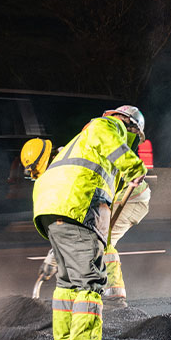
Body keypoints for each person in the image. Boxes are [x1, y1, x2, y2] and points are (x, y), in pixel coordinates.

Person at [31, 105, 148, 340]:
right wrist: (134, 166)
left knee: (68, 282)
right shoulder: (106, 126)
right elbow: (103, 134)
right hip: (79, 205)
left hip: (51, 207)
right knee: (90, 283)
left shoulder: (78, 145)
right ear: (130, 126)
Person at [26, 109, 153, 309]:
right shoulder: (66, 162)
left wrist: (52, 260)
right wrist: (52, 259)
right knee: (94, 239)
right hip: (111, 196)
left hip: (132, 197)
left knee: (103, 241)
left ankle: (115, 298)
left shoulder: (103, 132)